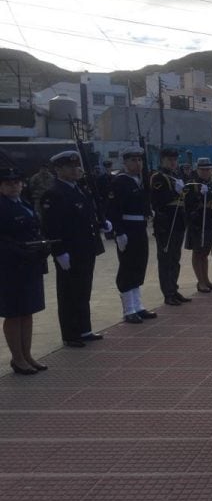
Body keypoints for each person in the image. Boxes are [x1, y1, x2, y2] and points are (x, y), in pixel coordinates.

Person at [40, 151, 109, 348]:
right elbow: (51, 226)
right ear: (58, 170)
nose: (75, 170)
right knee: (69, 292)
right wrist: (59, 251)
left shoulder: (79, 189)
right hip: (69, 251)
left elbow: (85, 217)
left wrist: (101, 225)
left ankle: (84, 328)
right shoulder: (54, 193)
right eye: (70, 167)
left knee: (83, 290)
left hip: (85, 248)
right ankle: (70, 334)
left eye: (77, 166)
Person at [0, 166, 49, 374]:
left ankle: (27, 354)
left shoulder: (24, 203)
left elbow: (34, 228)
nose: (14, 186)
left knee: (27, 311)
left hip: (29, 264)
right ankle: (17, 358)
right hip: (10, 266)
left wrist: (42, 245)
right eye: (8, 183)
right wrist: (19, 250)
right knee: (13, 313)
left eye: (17, 182)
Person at [106, 147, 156, 324]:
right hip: (127, 228)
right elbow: (113, 209)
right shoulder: (120, 181)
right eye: (133, 160)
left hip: (140, 227)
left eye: (140, 160)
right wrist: (119, 232)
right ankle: (128, 309)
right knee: (127, 267)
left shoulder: (140, 180)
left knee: (139, 265)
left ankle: (138, 306)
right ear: (125, 163)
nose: (138, 163)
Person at [151, 148, 190, 306]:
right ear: (162, 160)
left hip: (178, 221)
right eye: (170, 160)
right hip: (166, 222)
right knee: (165, 259)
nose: (173, 162)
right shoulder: (158, 177)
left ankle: (174, 289)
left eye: (175, 159)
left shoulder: (176, 176)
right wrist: (176, 192)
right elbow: (158, 200)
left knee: (175, 258)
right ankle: (167, 293)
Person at [184, 157, 212, 293]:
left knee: (205, 253)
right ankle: (200, 281)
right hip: (197, 223)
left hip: (209, 222)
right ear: (197, 170)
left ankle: (206, 279)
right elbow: (187, 205)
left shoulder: (211, 184)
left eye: (208, 169)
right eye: (203, 170)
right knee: (198, 252)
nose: (205, 172)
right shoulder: (192, 184)